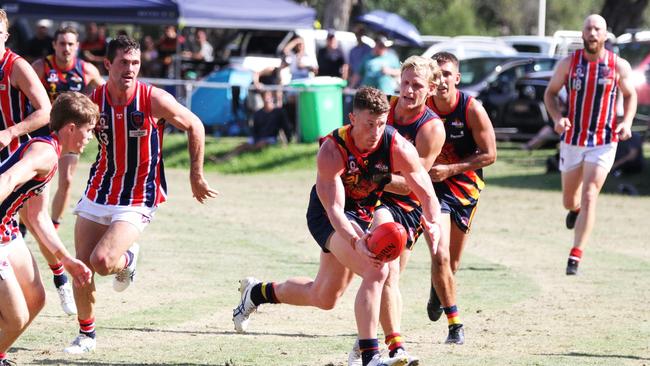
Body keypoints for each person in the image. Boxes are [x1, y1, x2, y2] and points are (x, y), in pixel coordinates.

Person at [232, 87, 442, 366]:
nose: (376, 131)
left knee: (324, 296)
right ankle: (371, 355)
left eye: (381, 123)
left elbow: (426, 191)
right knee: (377, 269)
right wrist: (357, 242)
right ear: (352, 118)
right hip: (328, 216)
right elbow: (334, 210)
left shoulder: (396, 146)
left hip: (366, 210)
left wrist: (434, 221)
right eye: (369, 124)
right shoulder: (332, 149)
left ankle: (256, 292)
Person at [63, 35, 218, 354]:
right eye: (123, 63)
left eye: (135, 63)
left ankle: (129, 258)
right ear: (107, 65)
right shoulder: (95, 99)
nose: (130, 69)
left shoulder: (152, 98)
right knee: (82, 266)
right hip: (101, 186)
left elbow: (194, 125)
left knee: (103, 262)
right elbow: (74, 133)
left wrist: (196, 175)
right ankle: (86, 335)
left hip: (139, 193)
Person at [347, 56, 445, 366]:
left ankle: (373, 346)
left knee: (388, 277)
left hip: (405, 206)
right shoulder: (382, 109)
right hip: (371, 200)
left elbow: (414, 184)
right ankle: (386, 347)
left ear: (429, 89)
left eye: (417, 85)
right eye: (405, 83)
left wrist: (373, 175)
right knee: (373, 276)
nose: (409, 90)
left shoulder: (431, 129)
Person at [0, 91, 95, 365]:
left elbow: (39, 217)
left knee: (36, 299)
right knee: (15, 318)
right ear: (71, 128)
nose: (90, 138)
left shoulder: (51, 151)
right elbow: (8, 178)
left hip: (8, 229)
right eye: (88, 130)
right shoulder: (45, 153)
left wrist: (67, 261)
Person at [544, 14, 636, 275]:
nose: (593, 33)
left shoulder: (618, 66)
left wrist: (626, 122)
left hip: (604, 140)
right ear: (582, 34)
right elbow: (550, 93)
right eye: (588, 28)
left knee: (590, 194)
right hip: (573, 139)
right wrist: (557, 119)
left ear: (605, 35)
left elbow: (630, 96)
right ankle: (574, 210)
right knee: (569, 199)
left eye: (598, 29)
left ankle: (575, 255)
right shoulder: (568, 64)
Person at [424, 51, 497, 343]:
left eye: (446, 74)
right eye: (436, 74)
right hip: (433, 189)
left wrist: (452, 168)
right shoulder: (422, 107)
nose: (441, 80)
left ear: (457, 78)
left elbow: (490, 155)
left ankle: (436, 288)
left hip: (465, 188)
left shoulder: (471, 109)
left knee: (451, 264)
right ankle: (456, 325)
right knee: (439, 254)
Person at [32, 25, 104, 229]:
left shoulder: (86, 70)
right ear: (54, 45)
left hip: (70, 134)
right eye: (62, 43)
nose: (66, 48)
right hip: (42, 132)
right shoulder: (40, 67)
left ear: (77, 46)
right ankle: (24, 222)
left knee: (67, 179)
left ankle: (53, 226)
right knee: (35, 181)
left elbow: (105, 95)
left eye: (70, 44)